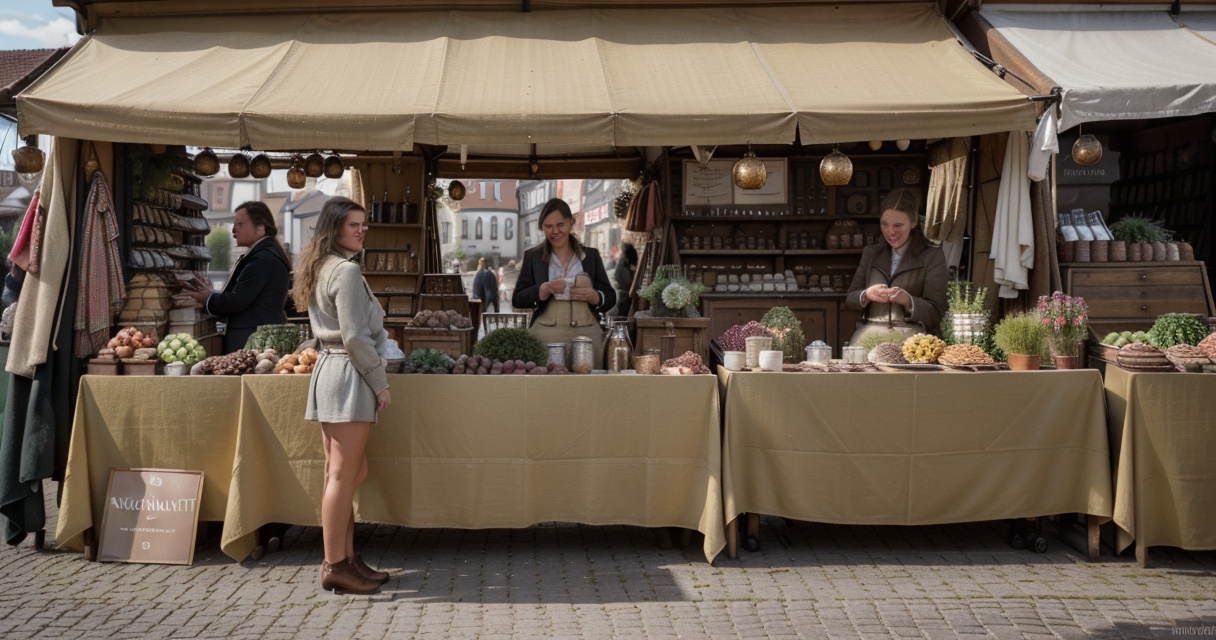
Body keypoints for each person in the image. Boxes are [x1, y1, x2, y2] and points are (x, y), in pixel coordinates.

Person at [291, 196, 392, 595]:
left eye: (363, 224)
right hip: (348, 373)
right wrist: (379, 380)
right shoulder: (346, 272)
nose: (362, 230)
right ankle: (335, 564)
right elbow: (353, 337)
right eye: (354, 225)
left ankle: (346, 557)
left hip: (330, 371)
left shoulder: (324, 267)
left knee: (350, 471)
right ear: (334, 230)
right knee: (342, 474)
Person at [512, 198, 616, 367]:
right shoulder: (533, 257)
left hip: (588, 338)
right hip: (545, 337)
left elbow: (610, 297)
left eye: (560, 224)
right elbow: (517, 298)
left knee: (587, 387)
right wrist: (542, 290)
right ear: (542, 228)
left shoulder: (591, 256)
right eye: (548, 226)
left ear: (570, 223)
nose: (555, 231)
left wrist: (595, 296)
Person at [845, 188, 949, 346]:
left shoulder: (932, 256)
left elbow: (937, 313)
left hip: (913, 343)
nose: (890, 231)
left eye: (898, 225)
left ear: (913, 222)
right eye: (884, 224)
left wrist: (908, 301)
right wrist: (867, 294)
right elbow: (850, 300)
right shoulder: (871, 253)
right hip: (868, 339)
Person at [184, 201, 290, 353]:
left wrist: (208, 298)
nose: (234, 230)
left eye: (240, 224)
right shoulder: (264, 255)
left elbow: (237, 301)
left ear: (260, 228)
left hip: (254, 340)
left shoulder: (262, 259)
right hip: (259, 337)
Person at [612, 242, 638, 318]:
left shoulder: (624, 258)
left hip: (625, 289)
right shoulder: (625, 259)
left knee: (623, 310)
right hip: (625, 290)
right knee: (624, 310)